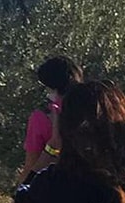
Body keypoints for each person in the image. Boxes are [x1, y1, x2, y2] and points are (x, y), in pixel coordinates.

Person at [18, 55, 82, 183]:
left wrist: (21, 187)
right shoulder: (91, 111)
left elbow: (31, 165)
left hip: (55, 190)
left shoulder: (41, 118)